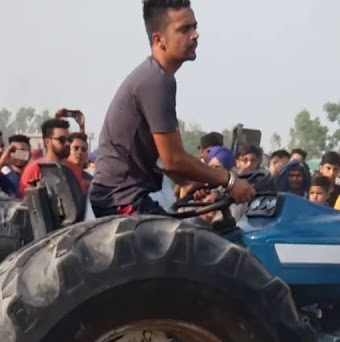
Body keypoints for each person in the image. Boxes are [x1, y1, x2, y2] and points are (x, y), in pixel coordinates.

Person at [88, 0, 255, 217]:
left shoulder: (158, 77)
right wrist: (229, 180)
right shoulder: (156, 81)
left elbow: (163, 159)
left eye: (194, 27)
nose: (195, 35)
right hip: (121, 199)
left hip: (119, 196)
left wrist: (189, 182)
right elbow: (173, 159)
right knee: (190, 247)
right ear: (159, 40)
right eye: (184, 30)